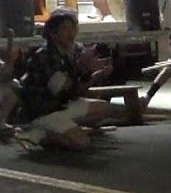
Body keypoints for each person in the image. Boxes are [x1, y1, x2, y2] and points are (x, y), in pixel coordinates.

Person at [15, 11, 115, 151]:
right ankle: (39, 134)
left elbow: (76, 91)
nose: (71, 33)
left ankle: (62, 130)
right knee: (81, 143)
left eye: (73, 28)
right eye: (65, 29)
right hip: (43, 111)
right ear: (53, 33)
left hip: (62, 105)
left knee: (105, 108)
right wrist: (84, 68)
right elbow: (61, 89)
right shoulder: (44, 56)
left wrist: (96, 73)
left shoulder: (74, 50)